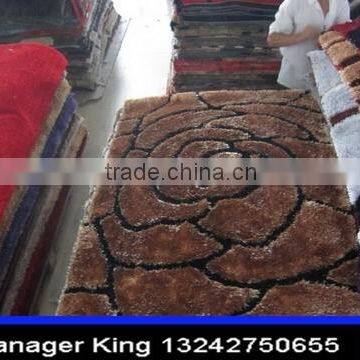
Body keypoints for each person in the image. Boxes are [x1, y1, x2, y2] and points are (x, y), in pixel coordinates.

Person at [267, 0, 351, 90]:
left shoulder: (341, 2)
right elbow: (272, 39)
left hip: (327, 82)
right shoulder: (293, 2)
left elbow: (345, 34)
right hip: (294, 81)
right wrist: (302, 36)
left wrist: (327, 37)